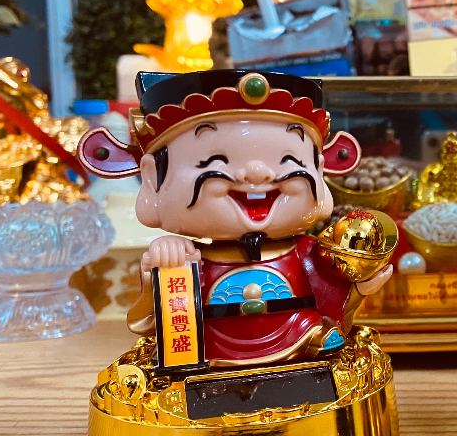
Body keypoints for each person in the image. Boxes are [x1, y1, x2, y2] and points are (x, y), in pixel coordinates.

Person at [79, 69, 391, 364]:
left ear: (319, 173)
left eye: (289, 159)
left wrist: (357, 287)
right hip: (212, 342)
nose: (257, 173)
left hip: (297, 332)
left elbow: (328, 289)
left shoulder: (304, 252)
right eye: (216, 160)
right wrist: (162, 268)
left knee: (319, 334)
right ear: (152, 180)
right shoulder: (191, 258)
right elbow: (151, 320)